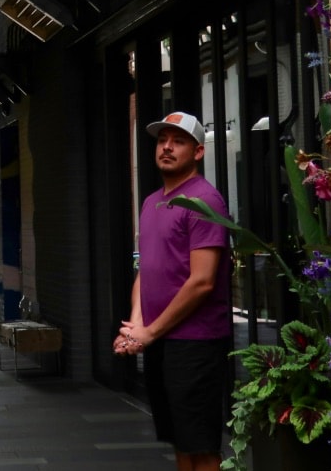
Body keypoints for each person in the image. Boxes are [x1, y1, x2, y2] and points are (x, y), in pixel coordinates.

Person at [113, 111, 231, 471]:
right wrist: (135, 327)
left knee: (201, 444)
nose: (166, 147)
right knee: (178, 438)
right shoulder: (151, 203)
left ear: (198, 152)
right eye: (162, 140)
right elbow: (145, 271)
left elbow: (202, 281)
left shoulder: (204, 201)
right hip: (161, 341)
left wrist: (148, 332)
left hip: (196, 343)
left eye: (178, 141)